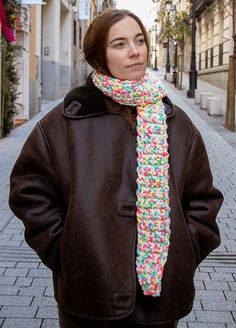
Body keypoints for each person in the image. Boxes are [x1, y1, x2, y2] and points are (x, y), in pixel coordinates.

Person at [9, 8, 223, 328]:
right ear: (99, 55)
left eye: (139, 40)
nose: (134, 51)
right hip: (88, 293)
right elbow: (28, 189)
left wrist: (185, 248)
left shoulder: (176, 123)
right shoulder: (68, 119)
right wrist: (66, 250)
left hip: (159, 299)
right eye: (119, 44)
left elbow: (204, 199)